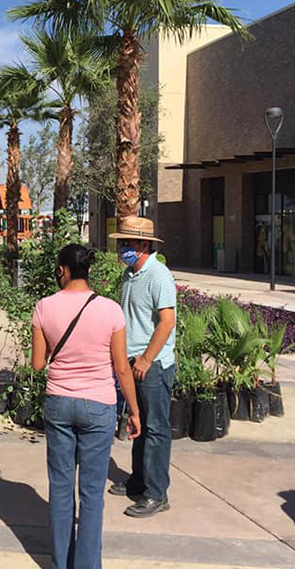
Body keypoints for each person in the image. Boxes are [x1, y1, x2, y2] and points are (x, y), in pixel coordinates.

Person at [31, 244, 142, 568]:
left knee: (61, 489)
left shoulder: (43, 307)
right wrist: (133, 411)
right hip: (99, 405)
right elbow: (122, 367)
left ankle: (61, 563)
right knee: (92, 494)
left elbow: (38, 364)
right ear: (89, 270)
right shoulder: (110, 310)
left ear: (61, 270)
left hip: (59, 403)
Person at [107, 216, 177, 518]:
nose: (123, 247)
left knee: (155, 428)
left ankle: (156, 493)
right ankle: (138, 480)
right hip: (132, 362)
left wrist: (147, 358)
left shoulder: (158, 275)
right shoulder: (129, 275)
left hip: (153, 365)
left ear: (144, 244)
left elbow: (167, 321)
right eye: (121, 243)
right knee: (138, 424)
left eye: (128, 243)